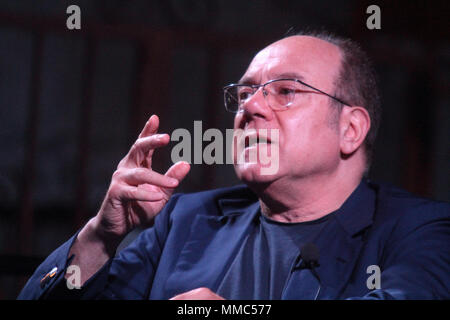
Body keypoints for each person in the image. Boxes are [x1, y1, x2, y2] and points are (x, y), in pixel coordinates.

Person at [18, 32, 449, 300]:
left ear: (351, 130)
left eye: (285, 91)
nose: (251, 107)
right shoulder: (185, 221)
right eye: (244, 95)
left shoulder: (419, 229)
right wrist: (101, 236)